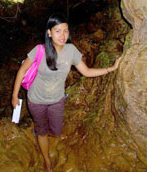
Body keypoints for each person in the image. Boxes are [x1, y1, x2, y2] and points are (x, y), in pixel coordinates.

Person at [12, 13, 121, 172]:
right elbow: (21, 71)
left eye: (65, 31)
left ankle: (44, 132)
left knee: (56, 131)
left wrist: (111, 69)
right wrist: (14, 96)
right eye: (57, 31)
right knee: (41, 130)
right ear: (49, 32)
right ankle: (47, 160)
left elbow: (86, 72)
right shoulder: (39, 50)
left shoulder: (71, 51)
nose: (62, 35)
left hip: (57, 100)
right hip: (36, 100)